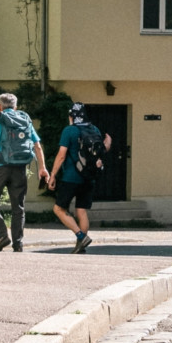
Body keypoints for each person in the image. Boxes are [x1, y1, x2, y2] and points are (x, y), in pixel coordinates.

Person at [0, 93, 50, 252]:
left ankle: (2, 236)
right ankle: (18, 244)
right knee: (18, 207)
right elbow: (37, 146)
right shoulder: (24, 121)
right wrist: (42, 168)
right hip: (20, 168)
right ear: (15, 107)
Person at [47, 103, 112, 254]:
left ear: (71, 117)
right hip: (89, 177)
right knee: (81, 211)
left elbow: (62, 155)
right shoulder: (94, 129)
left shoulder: (69, 130)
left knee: (58, 208)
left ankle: (80, 236)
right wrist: (108, 144)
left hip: (71, 177)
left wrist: (53, 175)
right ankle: (80, 245)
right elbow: (101, 150)